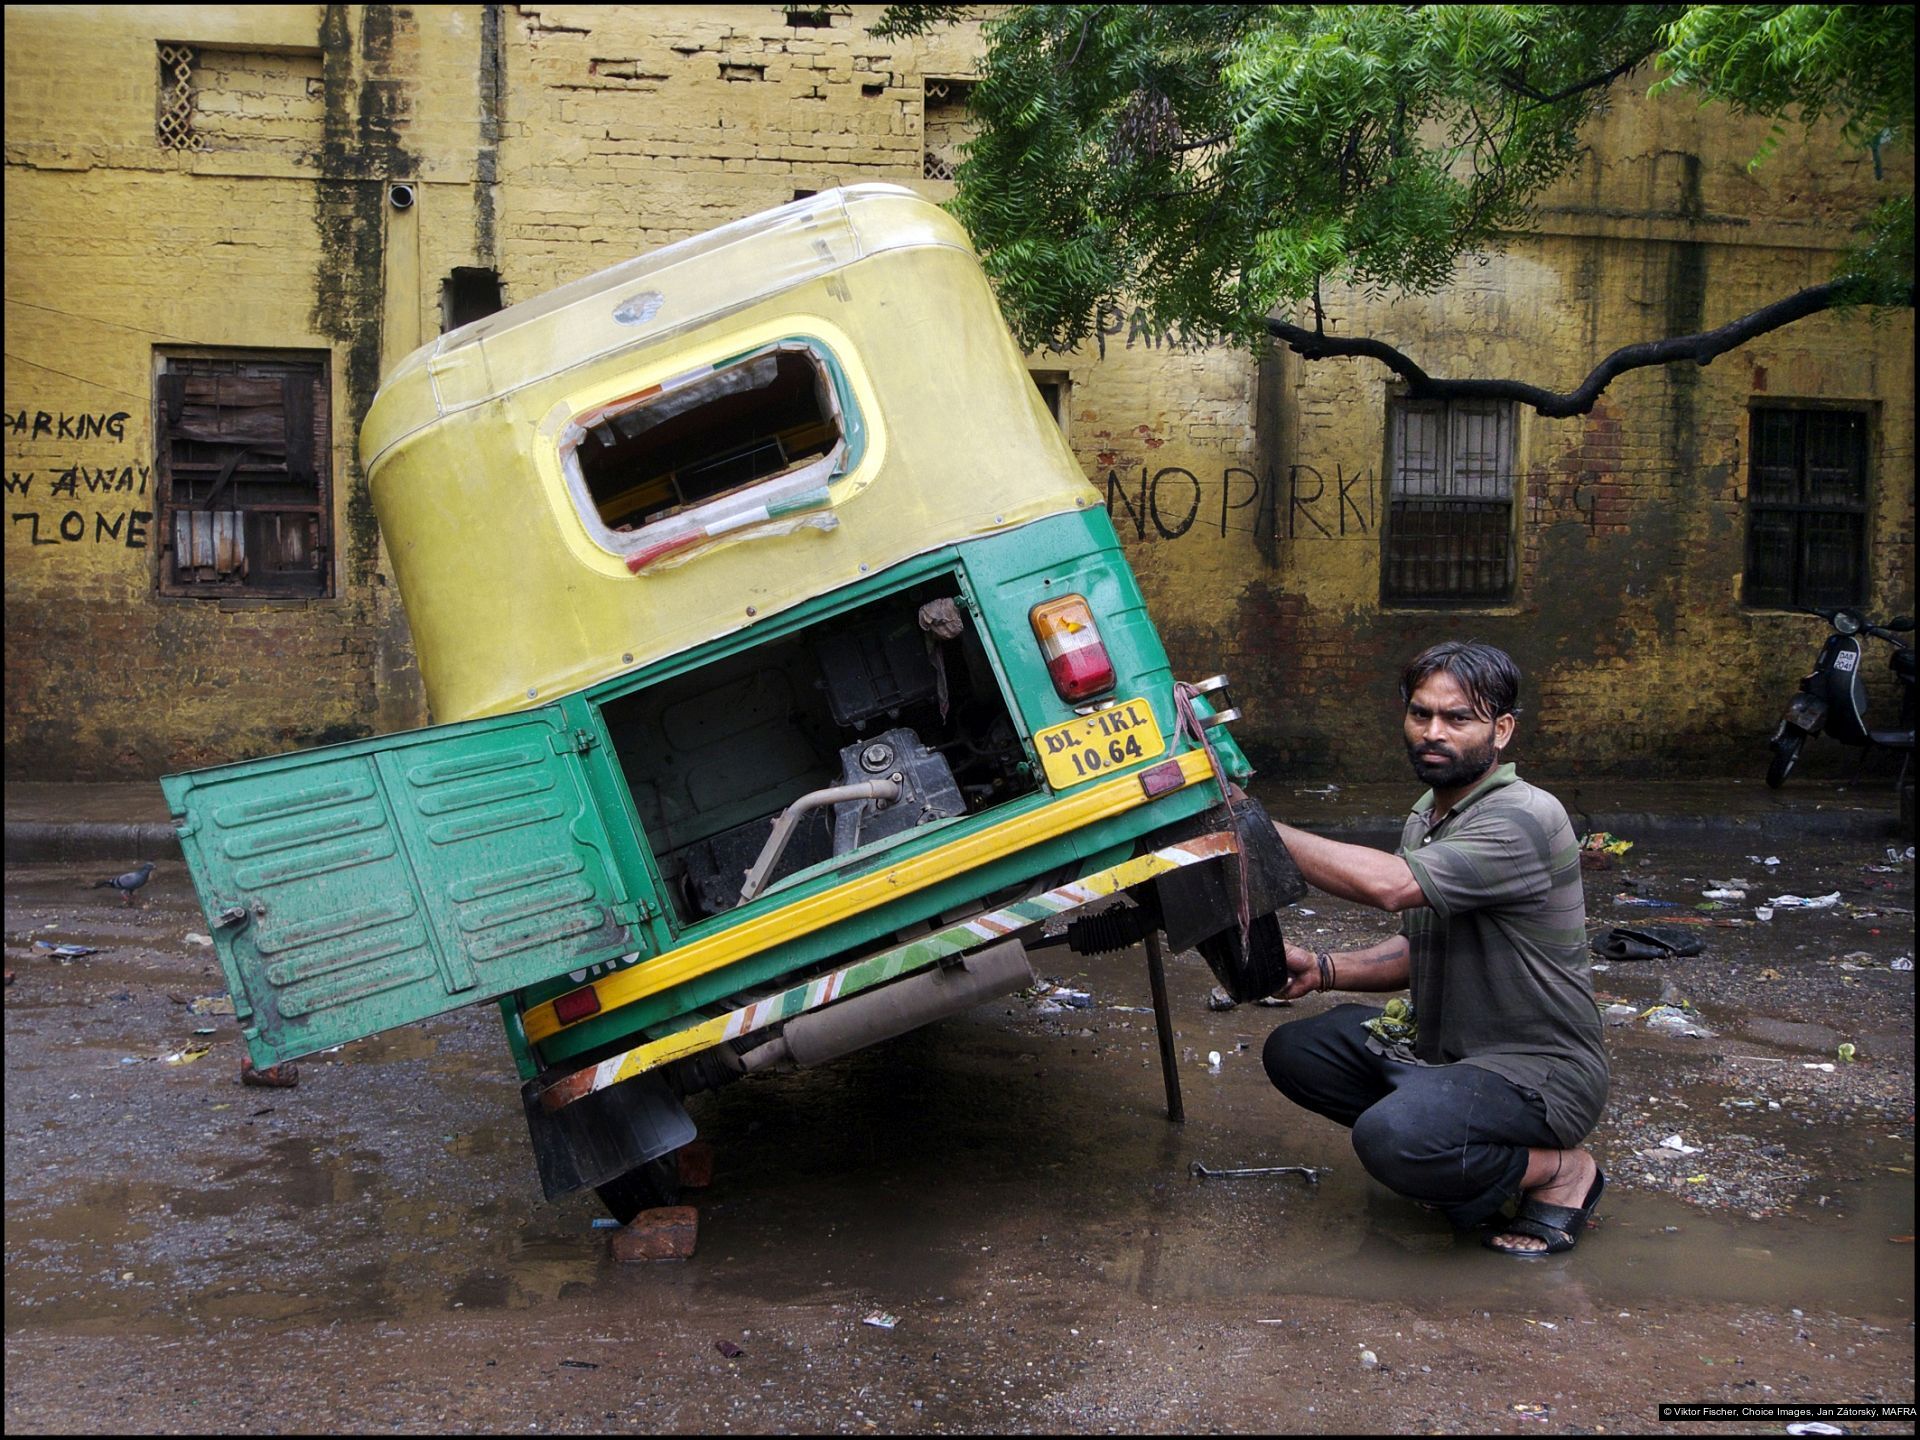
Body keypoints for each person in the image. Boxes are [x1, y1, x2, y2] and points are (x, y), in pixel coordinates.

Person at [1262, 641, 1608, 1257]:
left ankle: (1559, 1171)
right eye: (1421, 714)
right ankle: (1457, 1152)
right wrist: (1323, 969)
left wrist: (1250, 827)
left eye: (1457, 719)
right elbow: (1425, 946)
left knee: (1393, 1139)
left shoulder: (1524, 816)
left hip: (1539, 1072)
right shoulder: (1431, 812)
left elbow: (1392, 888)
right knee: (1297, 1050)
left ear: (1501, 730)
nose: (1433, 732)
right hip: (1447, 1053)